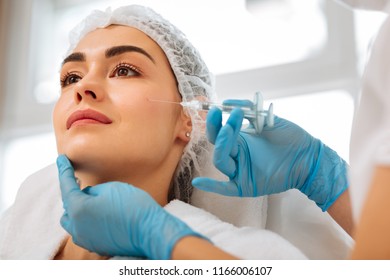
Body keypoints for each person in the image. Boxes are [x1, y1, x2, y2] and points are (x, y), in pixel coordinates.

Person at [0, 5, 308, 260]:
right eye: (70, 78)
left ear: (189, 119)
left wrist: (157, 237)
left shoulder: (236, 255)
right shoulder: (14, 235)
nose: (83, 88)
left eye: (124, 70)